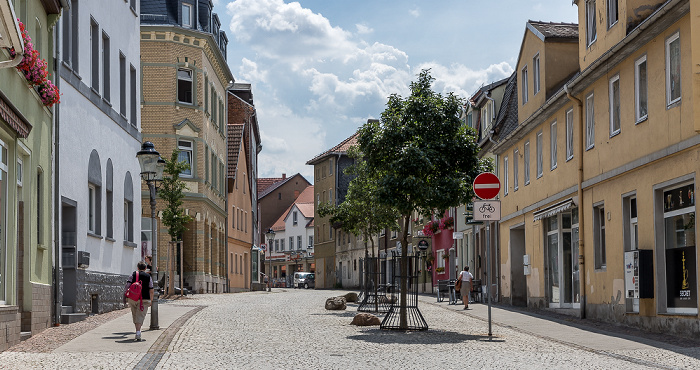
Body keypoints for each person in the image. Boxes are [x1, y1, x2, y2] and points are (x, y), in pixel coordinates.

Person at [124, 261, 154, 341]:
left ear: (137, 268)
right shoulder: (148, 276)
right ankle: (138, 332)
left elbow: (127, 286)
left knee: (135, 315)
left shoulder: (133, 275)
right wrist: (151, 300)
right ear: (145, 268)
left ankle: (137, 330)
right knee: (140, 315)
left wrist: (126, 296)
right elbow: (151, 289)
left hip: (133, 299)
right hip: (144, 299)